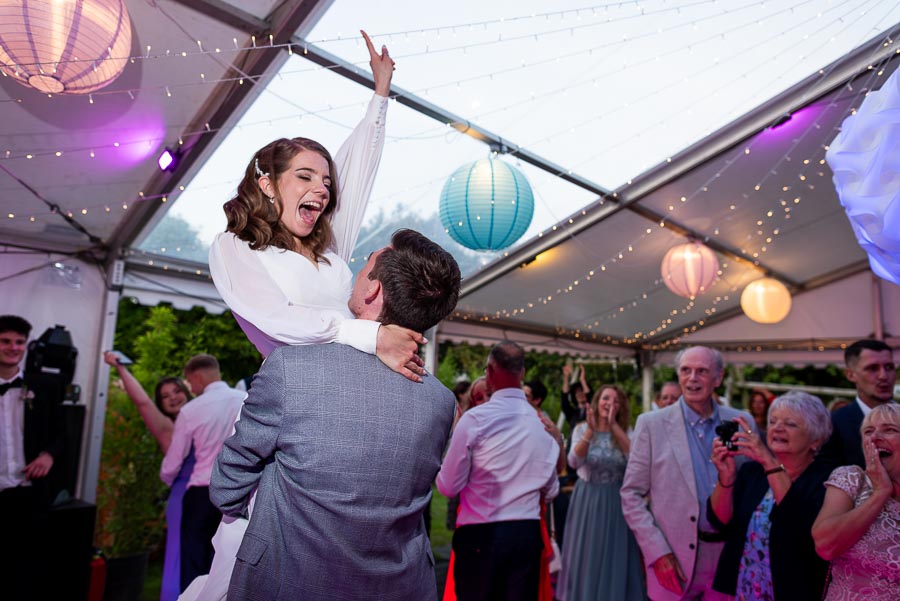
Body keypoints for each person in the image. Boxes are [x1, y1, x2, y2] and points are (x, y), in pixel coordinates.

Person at [210, 229, 461, 600]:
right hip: (397, 587)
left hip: (292, 584)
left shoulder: (290, 370)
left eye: (364, 266)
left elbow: (226, 489)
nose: (355, 273)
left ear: (372, 291)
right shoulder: (442, 402)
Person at [207, 31, 423, 380]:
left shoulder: (327, 249)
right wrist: (372, 335)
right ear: (268, 184)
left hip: (356, 379)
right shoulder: (233, 247)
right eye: (305, 177)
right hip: (296, 389)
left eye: (325, 182)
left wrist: (381, 94)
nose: (322, 190)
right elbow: (276, 318)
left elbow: (357, 175)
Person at [621, 346, 754, 601]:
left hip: (728, 558)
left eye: (702, 371)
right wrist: (657, 552)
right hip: (673, 559)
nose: (692, 378)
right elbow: (631, 495)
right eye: (686, 370)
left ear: (718, 377)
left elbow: (752, 492)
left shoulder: (741, 423)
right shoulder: (651, 424)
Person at [436, 341, 560, 601]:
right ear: (522, 373)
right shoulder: (541, 426)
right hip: (526, 536)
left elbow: (448, 486)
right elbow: (551, 491)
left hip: (482, 535)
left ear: (490, 372)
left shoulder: (476, 419)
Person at [708, 391, 832, 600]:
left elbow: (800, 526)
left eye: (790, 424)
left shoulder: (828, 479)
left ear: (816, 439)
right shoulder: (751, 471)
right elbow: (719, 521)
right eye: (773, 421)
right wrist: (726, 478)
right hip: (742, 590)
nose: (778, 428)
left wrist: (767, 460)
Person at [104, 351, 193, 601]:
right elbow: (142, 402)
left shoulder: (206, 416)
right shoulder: (167, 427)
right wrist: (121, 368)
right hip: (184, 498)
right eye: (165, 397)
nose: (172, 398)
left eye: (175, 391)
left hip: (215, 500)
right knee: (181, 557)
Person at [161, 354, 244, 592]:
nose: (190, 387)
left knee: (194, 564)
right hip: (236, 490)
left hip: (200, 494)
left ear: (197, 377)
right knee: (226, 562)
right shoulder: (245, 399)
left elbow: (173, 462)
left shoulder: (191, 410)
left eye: (189, 382)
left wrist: (167, 480)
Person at [557, 385, 646, 601]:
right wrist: (590, 430)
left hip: (617, 500)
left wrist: (614, 426)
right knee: (588, 555)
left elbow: (637, 460)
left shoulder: (627, 431)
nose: (610, 404)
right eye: (606, 398)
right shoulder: (581, 429)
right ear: (597, 402)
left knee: (614, 555)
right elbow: (573, 462)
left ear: (621, 407)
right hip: (586, 500)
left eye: (616, 401)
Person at [0, 315, 65, 600]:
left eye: (19, 342)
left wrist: (49, 455)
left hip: (29, 495)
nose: (13, 347)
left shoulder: (44, 386)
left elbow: (63, 433)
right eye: (5, 341)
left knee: (27, 570)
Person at [812, 403, 900, 600]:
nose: (875, 437)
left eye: (890, 429)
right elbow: (825, 545)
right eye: (869, 431)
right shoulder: (852, 479)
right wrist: (880, 492)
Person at [820, 339, 896, 468]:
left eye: (889, 367)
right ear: (850, 375)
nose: (883, 376)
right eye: (872, 368)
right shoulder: (833, 425)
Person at [561, 363, 590, 431]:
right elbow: (564, 400)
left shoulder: (593, 410)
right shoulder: (572, 413)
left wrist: (582, 380)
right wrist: (566, 377)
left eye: (582, 390)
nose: (580, 393)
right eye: (577, 392)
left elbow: (590, 396)